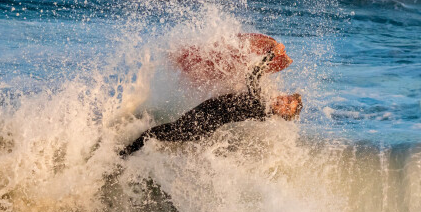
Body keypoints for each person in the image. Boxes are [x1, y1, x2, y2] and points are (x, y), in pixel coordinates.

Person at [119, 51, 302, 157]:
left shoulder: (261, 104)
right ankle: (134, 156)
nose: (283, 102)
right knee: (159, 136)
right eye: (288, 100)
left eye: (286, 108)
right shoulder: (264, 105)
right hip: (203, 123)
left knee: (151, 134)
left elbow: (252, 76)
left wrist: (270, 56)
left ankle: (122, 156)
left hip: (198, 125)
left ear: (281, 115)